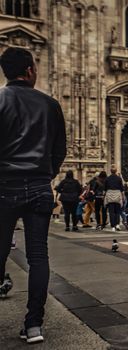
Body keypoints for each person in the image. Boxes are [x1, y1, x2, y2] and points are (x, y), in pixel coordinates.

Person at [0, 47, 66, 343]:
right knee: (38, 257)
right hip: (39, 187)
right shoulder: (50, 105)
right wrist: (44, 175)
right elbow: (59, 150)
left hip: (4, 187)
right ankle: (34, 325)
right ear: (29, 71)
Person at [104, 165, 125, 231]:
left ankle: (113, 226)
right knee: (117, 211)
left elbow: (105, 189)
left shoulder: (107, 178)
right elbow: (122, 189)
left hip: (110, 195)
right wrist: (123, 196)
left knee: (111, 211)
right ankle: (117, 225)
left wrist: (104, 196)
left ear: (110, 171)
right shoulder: (119, 178)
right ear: (116, 171)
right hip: (117, 195)